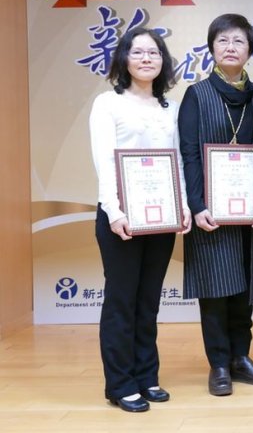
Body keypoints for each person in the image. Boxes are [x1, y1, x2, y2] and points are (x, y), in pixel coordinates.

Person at [89, 27, 192, 413]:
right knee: (121, 301)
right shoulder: (107, 103)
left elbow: (178, 161)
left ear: (163, 61)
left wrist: (182, 205)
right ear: (124, 59)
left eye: (154, 52)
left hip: (162, 217)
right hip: (121, 218)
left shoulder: (170, 108)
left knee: (148, 301)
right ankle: (120, 384)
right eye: (138, 52)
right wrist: (114, 211)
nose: (146, 58)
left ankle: (147, 375)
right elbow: (103, 160)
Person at [178, 14, 253, 397]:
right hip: (210, 212)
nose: (230, 47)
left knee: (244, 288)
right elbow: (189, 153)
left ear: (250, 50)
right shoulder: (197, 95)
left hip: (251, 212)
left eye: (238, 41)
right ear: (212, 49)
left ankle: (241, 358)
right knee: (215, 290)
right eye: (222, 40)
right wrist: (197, 205)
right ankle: (219, 363)